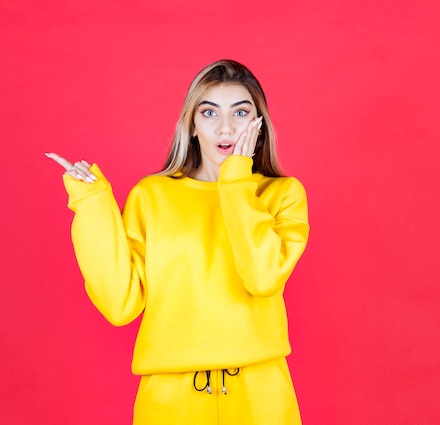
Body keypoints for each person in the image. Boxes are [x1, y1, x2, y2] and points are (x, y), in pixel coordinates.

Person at [46, 59, 309, 424]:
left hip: (260, 393)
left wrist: (236, 179)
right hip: (171, 398)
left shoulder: (282, 194)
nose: (226, 127)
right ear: (192, 124)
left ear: (258, 125)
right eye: (209, 112)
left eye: (241, 112)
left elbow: (262, 278)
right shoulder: (151, 196)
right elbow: (120, 304)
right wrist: (92, 204)